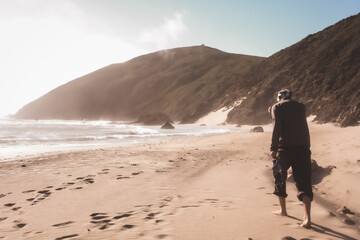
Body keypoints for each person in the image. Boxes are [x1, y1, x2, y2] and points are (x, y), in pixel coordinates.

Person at [270, 89, 313, 228]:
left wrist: (273, 148)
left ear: (279, 98)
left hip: (285, 149)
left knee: (279, 177)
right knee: (304, 181)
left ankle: (283, 210)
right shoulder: (301, 106)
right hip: (303, 148)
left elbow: (277, 126)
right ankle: (307, 218)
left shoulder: (278, 106)